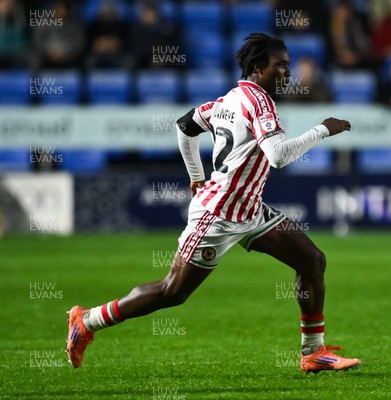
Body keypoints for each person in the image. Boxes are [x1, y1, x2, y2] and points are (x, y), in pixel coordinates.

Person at [66, 33, 361, 374]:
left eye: (288, 66)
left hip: (250, 210)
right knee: (172, 292)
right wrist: (322, 130)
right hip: (219, 214)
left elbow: (186, 125)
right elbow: (278, 156)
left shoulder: (228, 100)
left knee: (312, 261)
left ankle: (313, 352)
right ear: (257, 67)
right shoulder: (260, 103)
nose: (287, 74)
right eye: (280, 66)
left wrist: (195, 175)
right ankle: (87, 321)